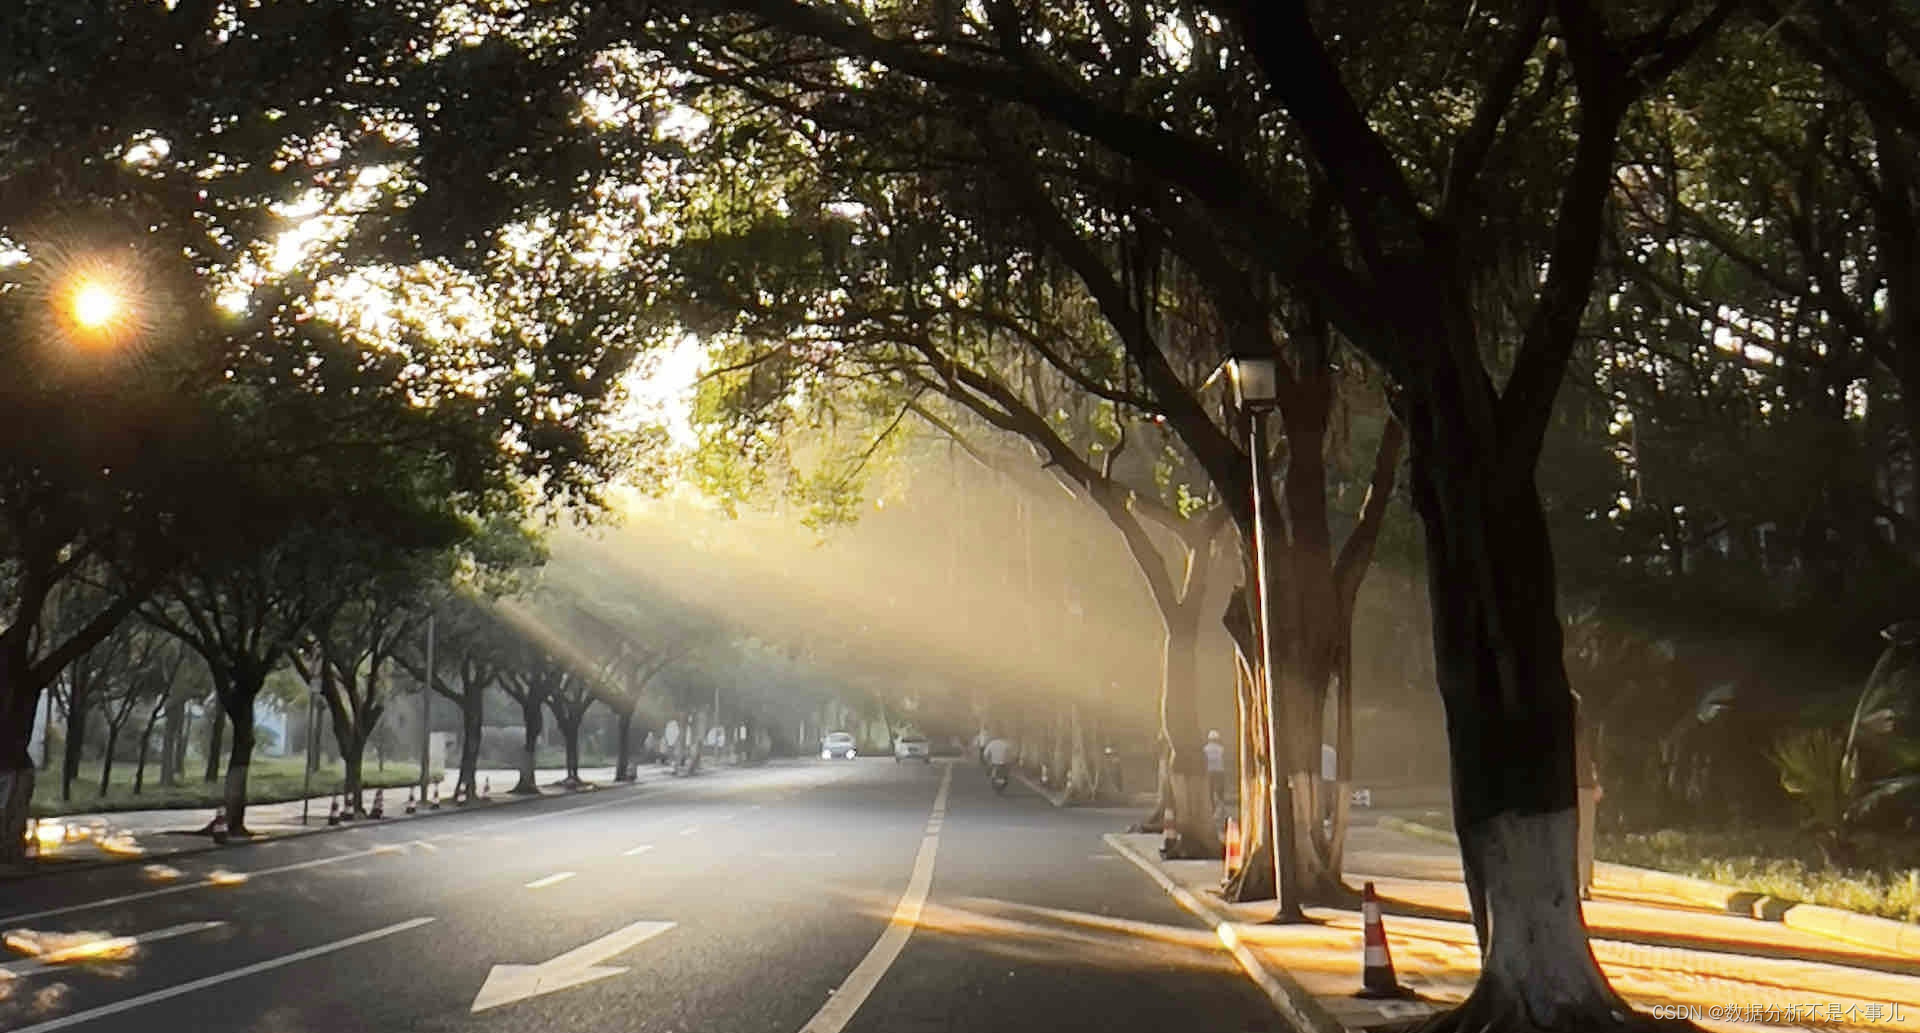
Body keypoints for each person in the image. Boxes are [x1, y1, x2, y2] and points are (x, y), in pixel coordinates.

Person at [1574, 690, 1602, 901]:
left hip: (1568, 787)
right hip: (1583, 785)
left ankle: (1579, 883)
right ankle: (1583, 884)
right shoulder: (1584, 733)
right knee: (1584, 837)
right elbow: (1590, 760)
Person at [1202, 730, 1227, 812]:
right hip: (1219, 771)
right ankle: (1221, 806)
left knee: (1210, 790)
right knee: (1220, 790)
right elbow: (1224, 759)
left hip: (1209, 772)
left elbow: (1204, 761)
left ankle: (1212, 809)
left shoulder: (1205, 749)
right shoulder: (1221, 749)